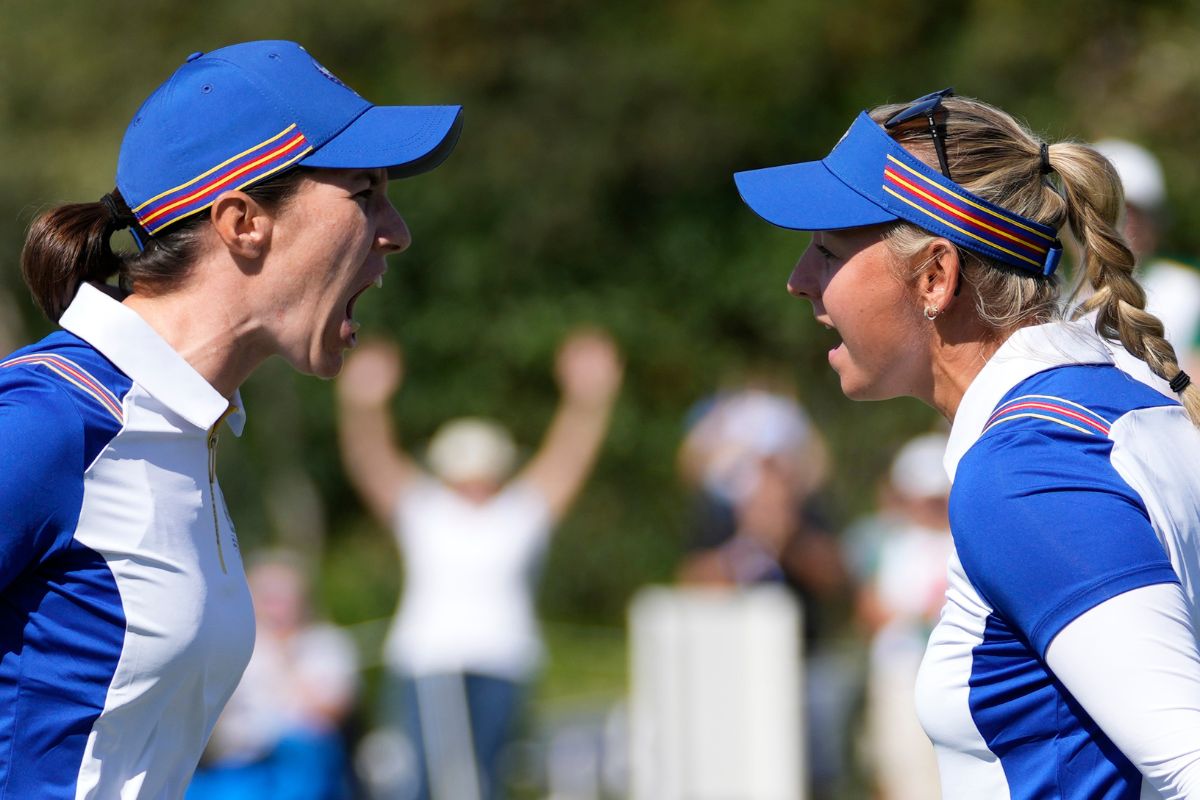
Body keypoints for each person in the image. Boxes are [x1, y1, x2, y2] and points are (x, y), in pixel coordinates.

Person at [0, 40, 461, 799]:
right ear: (243, 220)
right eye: (365, 193)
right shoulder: (47, 424)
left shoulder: (186, 432)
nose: (397, 231)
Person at [734, 88, 1200, 798]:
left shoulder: (1028, 471)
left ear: (934, 277)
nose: (799, 281)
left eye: (828, 250)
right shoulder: (1115, 408)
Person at [335, 331, 622, 800]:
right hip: (430, 660)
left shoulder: (520, 513)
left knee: (484, 783)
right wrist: (363, 403)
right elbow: (371, 460)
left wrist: (589, 399)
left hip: (505, 658)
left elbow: (569, 458)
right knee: (424, 783)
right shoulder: (424, 508)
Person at [188, 552, 360, 800]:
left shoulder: (323, 644)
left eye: (282, 597)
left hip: (302, 759)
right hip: (238, 762)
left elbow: (333, 711)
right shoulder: (235, 650)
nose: (276, 607)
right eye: (267, 598)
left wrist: (283, 659)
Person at [848, 432, 951, 800]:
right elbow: (868, 608)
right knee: (902, 774)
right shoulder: (886, 543)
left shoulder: (964, 539)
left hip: (954, 677)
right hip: (900, 676)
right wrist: (913, 616)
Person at [1092, 138, 1200, 376]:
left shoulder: (1189, 290)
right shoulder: (1060, 296)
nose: (1128, 224)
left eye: (1138, 212)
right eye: (1117, 211)